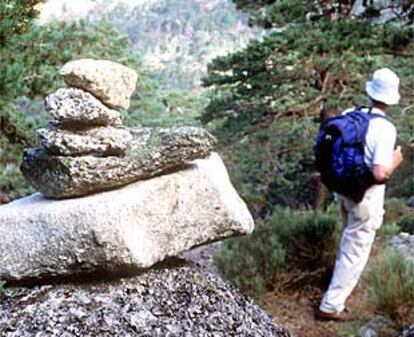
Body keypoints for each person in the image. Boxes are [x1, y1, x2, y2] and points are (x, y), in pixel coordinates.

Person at [316, 68, 404, 320]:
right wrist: (395, 160)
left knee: (348, 240)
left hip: (343, 190)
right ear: (391, 98)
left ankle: (334, 291)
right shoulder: (385, 129)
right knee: (355, 250)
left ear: (371, 92)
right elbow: (379, 173)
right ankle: (331, 306)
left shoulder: (350, 114)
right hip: (365, 196)